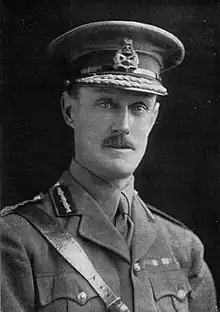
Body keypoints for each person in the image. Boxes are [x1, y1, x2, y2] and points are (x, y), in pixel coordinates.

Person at [1, 20, 218, 312]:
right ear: (69, 110)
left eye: (138, 108)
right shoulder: (17, 241)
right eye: (106, 103)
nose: (123, 126)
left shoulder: (183, 248)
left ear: (153, 118)